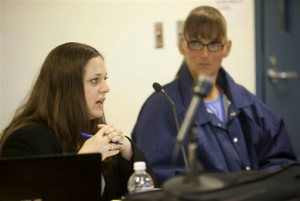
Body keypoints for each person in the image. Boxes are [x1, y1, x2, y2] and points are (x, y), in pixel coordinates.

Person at [132, 5, 297, 187]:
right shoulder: (162, 106)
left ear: (227, 47)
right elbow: (163, 177)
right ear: (182, 46)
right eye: (196, 43)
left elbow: (281, 162)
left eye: (214, 44)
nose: (205, 54)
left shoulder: (247, 104)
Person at [0, 42, 155, 200]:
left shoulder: (93, 132)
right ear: (67, 88)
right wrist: (84, 160)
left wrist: (128, 152)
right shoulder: (25, 140)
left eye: (105, 79)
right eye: (95, 80)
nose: (106, 87)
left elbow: (143, 192)